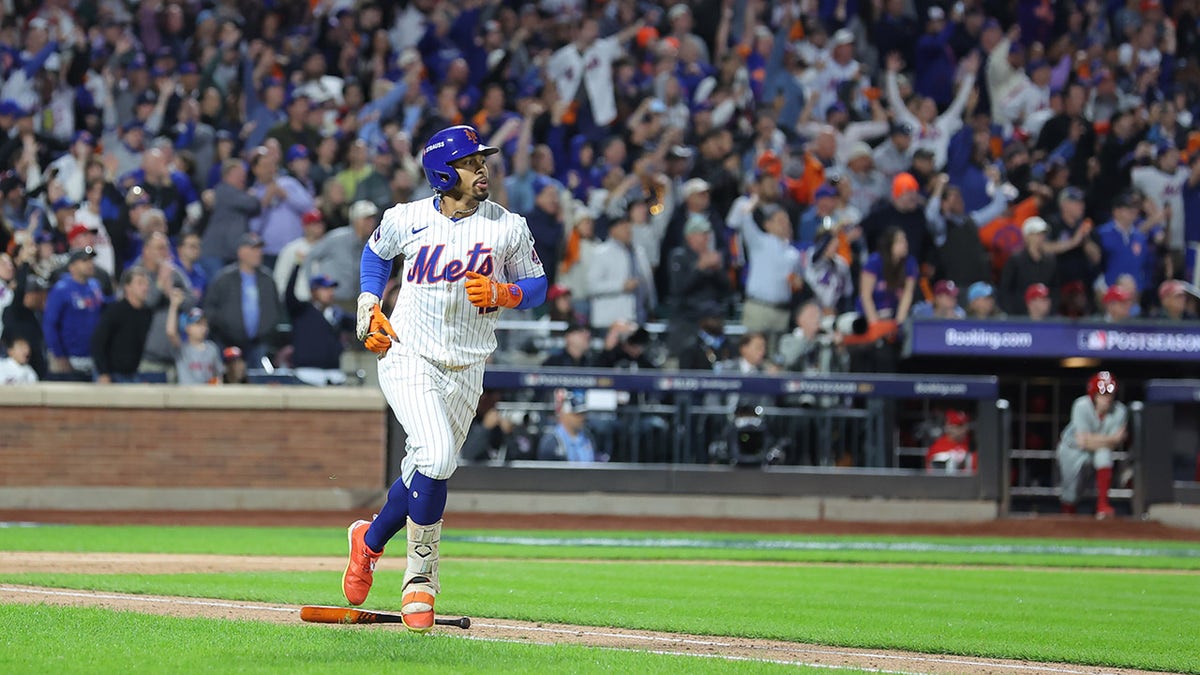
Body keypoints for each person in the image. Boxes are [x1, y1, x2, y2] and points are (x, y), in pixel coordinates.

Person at [342, 125, 547, 632]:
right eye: (471, 161)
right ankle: (420, 579)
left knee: (421, 472)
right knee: (437, 456)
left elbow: (538, 284)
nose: (482, 169)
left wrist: (506, 295)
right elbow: (375, 252)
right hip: (408, 353)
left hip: (468, 365)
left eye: (482, 160)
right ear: (441, 172)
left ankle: (368, 542)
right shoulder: (406, 217)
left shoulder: (507, 226)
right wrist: (369, 302)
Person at [203, 232, 283, 367]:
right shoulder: (224, 278)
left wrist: (266, 332)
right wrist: (224, 329)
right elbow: (210, 308)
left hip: (259, 344)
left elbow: (276, 309)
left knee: (258, 383)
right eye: (254, 249)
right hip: (227, 342)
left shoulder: (268, 280)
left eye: (259, 249)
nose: (258, 253)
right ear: (241, 252)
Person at [1056, 372, 1128, 519]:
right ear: (1093, 394)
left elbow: (1113, 444)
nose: (1107, 398)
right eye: (1102, 393)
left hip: (1096, 450)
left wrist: (1097, 441)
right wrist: (1110, 439)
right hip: (1072, 449)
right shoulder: (1081, 405)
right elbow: (1082, 441)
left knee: (1104, 454)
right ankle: (1068, 513)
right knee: (1070, 492)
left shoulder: (1120, 410)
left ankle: (1102, 506)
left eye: (1110, 393)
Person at [43, 248, 105, 377]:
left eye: (91, 260)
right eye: (84, 261)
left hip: (92, 357)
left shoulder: (95, 286)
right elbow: (50, 324)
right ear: (72, 266)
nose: (90, 264)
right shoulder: (61, 289)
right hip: (68, 357)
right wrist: (59, 355)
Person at [286, 271, 355, 386]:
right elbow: (289, 296)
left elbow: (358, 323)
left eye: (331, 289)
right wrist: (297, 267)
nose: (330, 292)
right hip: (306, 373)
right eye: (325, 289)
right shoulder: (302, 310)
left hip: (333, 374)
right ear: (313, 291)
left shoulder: (336, 313)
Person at [90, 266, 154, 383]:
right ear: (127, 287)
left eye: (146, 284)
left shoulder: (147, 313)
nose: (145, 288)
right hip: (111, 374)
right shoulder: (115, 310)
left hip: (132, 374)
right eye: (140, 283)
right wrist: (103, 372)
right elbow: (98, 342)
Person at [166, 292, 224, 385]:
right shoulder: (182, 349)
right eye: (197, 324)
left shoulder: (212, 348)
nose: (202, 328)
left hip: (206, 396)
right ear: (188, 328)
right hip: (186, 397)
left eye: (204, 324)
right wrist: (174, 306)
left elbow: (218, 376)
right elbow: (171, 333)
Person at [536, 388, 601, 463]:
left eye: (583, 414)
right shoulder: (552, 441)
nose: (582, 418)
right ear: (564, 414)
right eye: (577, 414)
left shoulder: (588, 437)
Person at [926, 410, 977, 474]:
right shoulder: (938, 447)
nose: (964, 429)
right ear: (948, 427)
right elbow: (935, 475)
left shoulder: (971, 444)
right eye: (959, 426)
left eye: (965, 425)